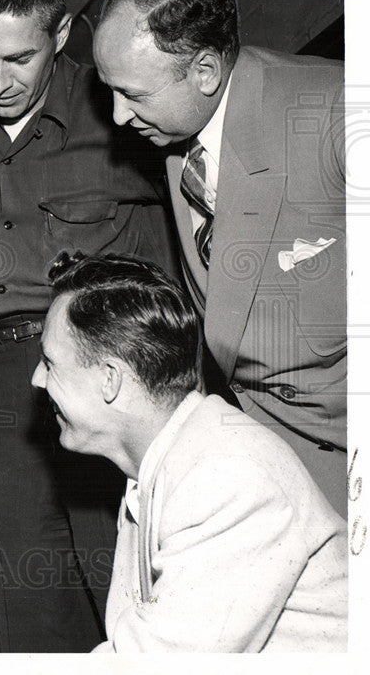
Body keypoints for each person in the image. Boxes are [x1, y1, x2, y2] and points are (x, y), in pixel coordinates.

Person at [0, 0, 178, 652]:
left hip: (116, 370)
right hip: (9, 369)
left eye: (19, 58)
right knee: (24, 581)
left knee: (120, 571)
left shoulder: (122, 111)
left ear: (62, 35)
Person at [92, 0, 346, 515]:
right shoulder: (179, 134)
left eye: (132, 94)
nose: (117, 116)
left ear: (205, 70)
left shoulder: (335, 113)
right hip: (276, 458)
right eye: (110, 91)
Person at [32, 252, 347, 652]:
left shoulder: (226, 477)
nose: (37, 380)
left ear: (109, 380)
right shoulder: (165, 461)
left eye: (49, 362)